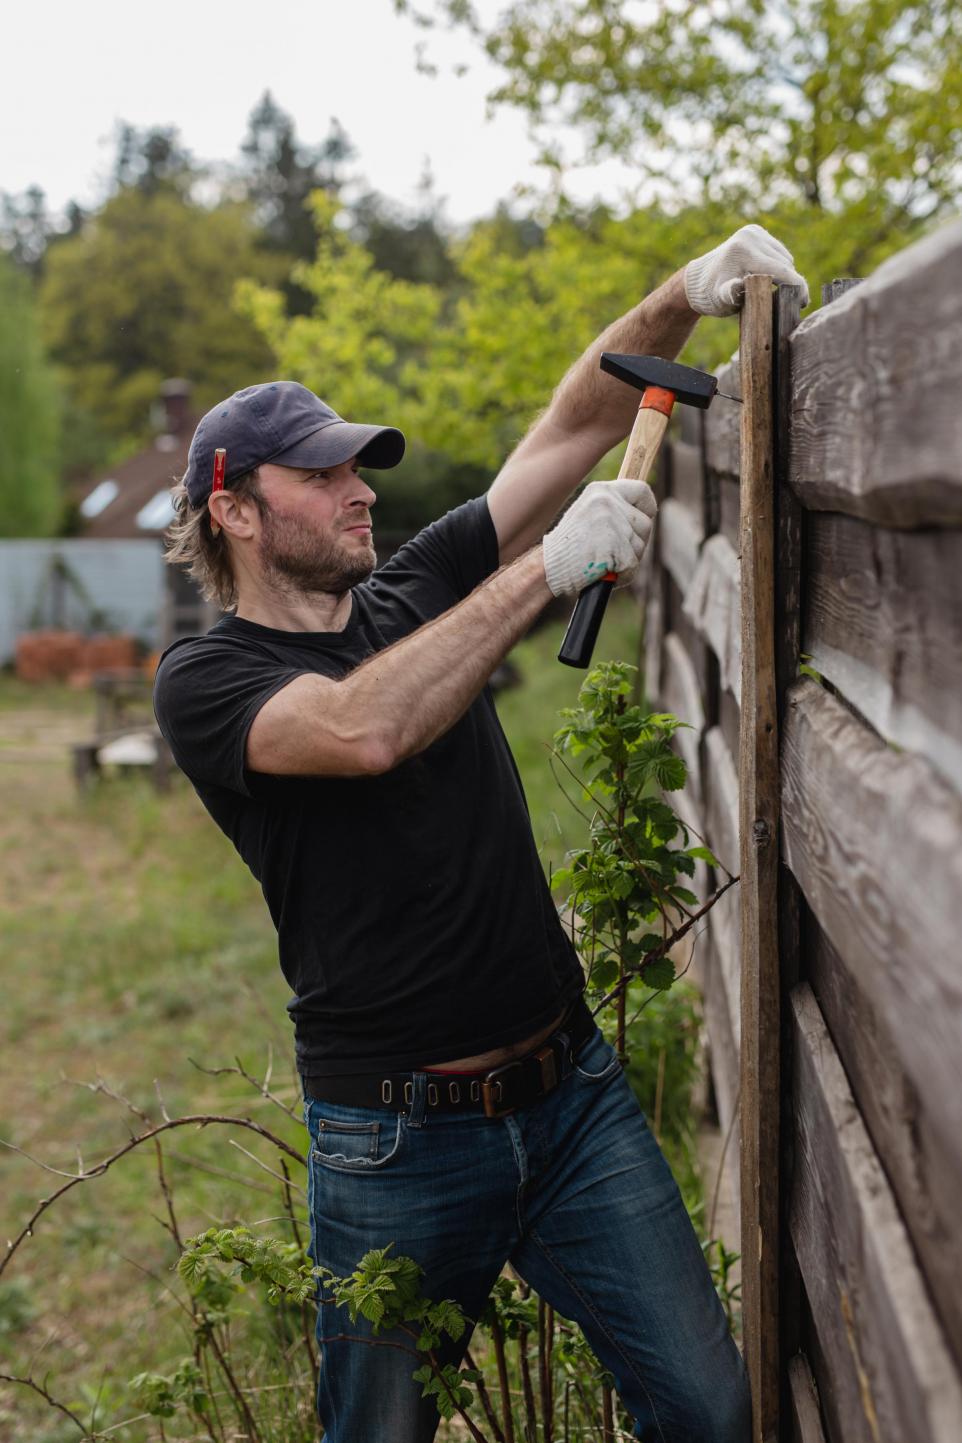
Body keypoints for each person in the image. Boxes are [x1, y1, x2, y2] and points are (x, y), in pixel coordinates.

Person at [153, 223, 808, 1442]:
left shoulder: (411, 586)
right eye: (323, 475)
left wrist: (683, 290)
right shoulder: (206, 681)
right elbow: (362, 730)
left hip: (573, 1103)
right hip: (393, 1142)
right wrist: (542, 571)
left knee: (713, 1411)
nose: (361, 490)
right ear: (233, 509)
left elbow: (571, 426)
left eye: (359, 468)